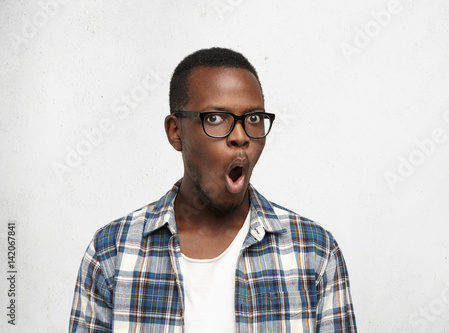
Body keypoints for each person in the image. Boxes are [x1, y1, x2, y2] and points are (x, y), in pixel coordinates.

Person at [69, 47, 357, 332]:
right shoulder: (111, 253)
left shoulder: (315, 252)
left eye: (254, 119)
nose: (241, 136)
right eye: (216, 118)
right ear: (176, 131)